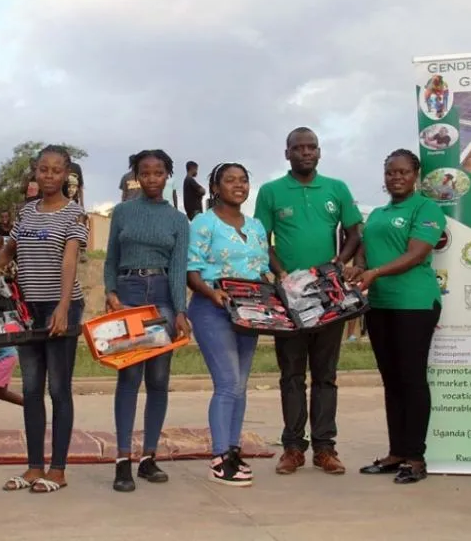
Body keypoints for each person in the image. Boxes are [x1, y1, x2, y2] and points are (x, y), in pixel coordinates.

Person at [0, 144, 88, 495]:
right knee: (30, 388)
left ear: (66, 174)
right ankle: (33, 466)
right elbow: (11, 248)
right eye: (44, 169)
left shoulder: (75, 215)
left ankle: (57, 469)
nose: (49, 175)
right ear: (36, 172)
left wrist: (64, 306)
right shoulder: (26, 213)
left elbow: (70, 261)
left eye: (56, 170)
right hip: (28, 309)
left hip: (61, 306)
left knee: (58, 389)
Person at [253, 126, 363, 476]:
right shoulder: (271, 191)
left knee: (326, 375)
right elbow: (262, 239)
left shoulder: (337, 189)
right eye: (297, 148)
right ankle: (292, 447)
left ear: (319, 152)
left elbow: (355, 232)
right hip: (289, 299)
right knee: (291, 375)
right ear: (287, 153)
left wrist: (338, 264)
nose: (305, 152)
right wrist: (283, 275)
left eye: (311, 147)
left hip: (328, 297)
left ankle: (325, 448)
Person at [344, 149, 445, 485]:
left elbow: (417, 254)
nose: (396, 178)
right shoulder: (378, 214)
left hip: (415, 303)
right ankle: (397, 451)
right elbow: (365, 251)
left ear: (415, 174)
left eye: (403, 172)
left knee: (412, 379)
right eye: (390, 172)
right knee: (391, 380)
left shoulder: (426, 208)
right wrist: (357, 268)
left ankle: (416, 457)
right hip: (381, 305)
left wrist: (375, 272)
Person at [103, 149, 191, 493]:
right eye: (145, 173)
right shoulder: (123, 212)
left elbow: (179, 267)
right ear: (135, 177)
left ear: (168, 175)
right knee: (129, 376)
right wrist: (111, 292)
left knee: (158, 379)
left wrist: (180, 310)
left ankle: (148, 457)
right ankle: (123, 459)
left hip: (162, 297)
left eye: (159, 173)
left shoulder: (178, 220)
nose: (152, 178)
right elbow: (111, 257)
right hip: (129, 293)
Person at [187, 162, 269, 487]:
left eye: (244, 180)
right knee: (227, 383)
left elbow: (261, 269)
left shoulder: (257, 226)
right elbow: (191, 271)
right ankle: (220, 458)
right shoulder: (203, 223)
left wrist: (274, 302)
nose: (238, 185)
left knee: (241, 384)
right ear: (216, 187)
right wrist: (213, 293)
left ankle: (234, 450)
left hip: (250, 311)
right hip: (213, 309)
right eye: (230, 180)